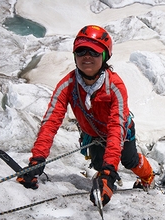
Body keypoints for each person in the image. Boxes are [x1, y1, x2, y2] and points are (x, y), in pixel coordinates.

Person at [17, 25, 154, 207]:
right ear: (75, 56)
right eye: (81, 51)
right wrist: (38, 158)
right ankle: (105, 178)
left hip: (121, 132)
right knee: (99, 165)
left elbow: (116, 127)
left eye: (94, 52)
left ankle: (148, 177)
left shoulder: (115, 86)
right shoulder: (68, 85)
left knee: (129, 160)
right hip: (94, 134)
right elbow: (51, 121)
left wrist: (109, 171)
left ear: (104, 56)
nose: (87, 56)